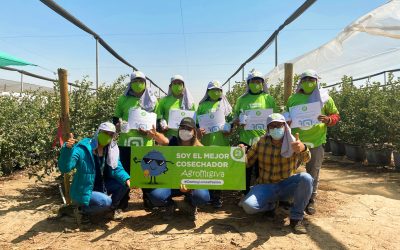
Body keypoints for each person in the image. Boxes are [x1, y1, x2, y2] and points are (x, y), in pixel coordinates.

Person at [241, 113, 313, 234]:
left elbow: (307, 159)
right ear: (267, 129)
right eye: (272, 126)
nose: (276, 129)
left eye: (279, 125)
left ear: (285, 126)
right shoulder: (260, 142)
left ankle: (296, 218)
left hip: (286, 186)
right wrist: (240, 153)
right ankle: (271, 205)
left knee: (306, 178)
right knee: (248, 207)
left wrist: (303, 148)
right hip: (265, 186)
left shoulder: (293, 142)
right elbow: (247, 163)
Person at [285, 69, 340, 215]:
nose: (308, 83)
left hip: (316, 141)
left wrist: (328, 119)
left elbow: (335, 115)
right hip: (296, 142)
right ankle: (289, 197)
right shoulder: (293, 99)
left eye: (311, 80)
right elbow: (287, 115)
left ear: (316, 81)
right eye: (305, 80)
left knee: (313, 172)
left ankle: (310, 200)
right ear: (300, 82)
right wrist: (287, 120)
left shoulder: (324, 97)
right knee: (290, 170)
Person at [58, 122, 130, 224]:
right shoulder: (83, 148)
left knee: (123, 184)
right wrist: (67, 150)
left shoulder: (111, 150)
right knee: (105, 202)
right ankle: (79, 210)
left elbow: (117, 168)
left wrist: (127, 179)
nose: (107, 137)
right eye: (105, 133)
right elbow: (65, 168)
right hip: (85, 189)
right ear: (98, 132)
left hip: (102, 186)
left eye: (111, 135)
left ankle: (109, 211)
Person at [145, 117, 210, 221]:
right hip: (171, 183)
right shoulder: (173, 141)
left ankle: (190, 204)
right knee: (156, 196)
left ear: (194, 132)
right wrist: (155, 134)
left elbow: (206, 169)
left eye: (188, 129)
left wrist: (190, 187)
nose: (184, 130)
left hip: (192, 184)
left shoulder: (200, 149)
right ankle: (170, 205)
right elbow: (164, 140)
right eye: (182, 127)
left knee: (202, 197)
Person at [113, 71, 158, 209]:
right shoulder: (123, 99)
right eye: (135, 81)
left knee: (148, 171)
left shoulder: (153, 100)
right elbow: (115, 118)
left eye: (141, 81)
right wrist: (119, 124)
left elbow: (157, 120)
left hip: (146, 143)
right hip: (126, 142)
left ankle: (149, 200)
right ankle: (122, 203)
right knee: (124, 173)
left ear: (145, 83)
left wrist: (150, 130)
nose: (138, 84)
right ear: (130, 84)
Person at [233, 70, 279, 194]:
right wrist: (238, 121)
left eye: (258, 81)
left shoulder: (268, 98)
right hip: (246, 140)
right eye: (253, 81)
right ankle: (245, 193)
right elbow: (235, 116)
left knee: (262, 169)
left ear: (262, 83)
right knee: (245, 169)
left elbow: (275, 117)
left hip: (264, 140)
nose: (256, 83)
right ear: (248, 83)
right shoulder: (241, 100)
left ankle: (260, 195)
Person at [197, 80, 233, 208]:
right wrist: (199, 131)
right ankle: (207, 196)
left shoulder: (225, 105)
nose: (215, 92)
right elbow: (197, 123)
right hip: (206, 143)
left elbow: (230, 121)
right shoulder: (202, 106)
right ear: (208, 92)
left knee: (218, 171)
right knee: (207, 170)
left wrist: (228, 129)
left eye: (218, 90)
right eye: (212, 90)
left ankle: (217, 197)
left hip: (221, 142)